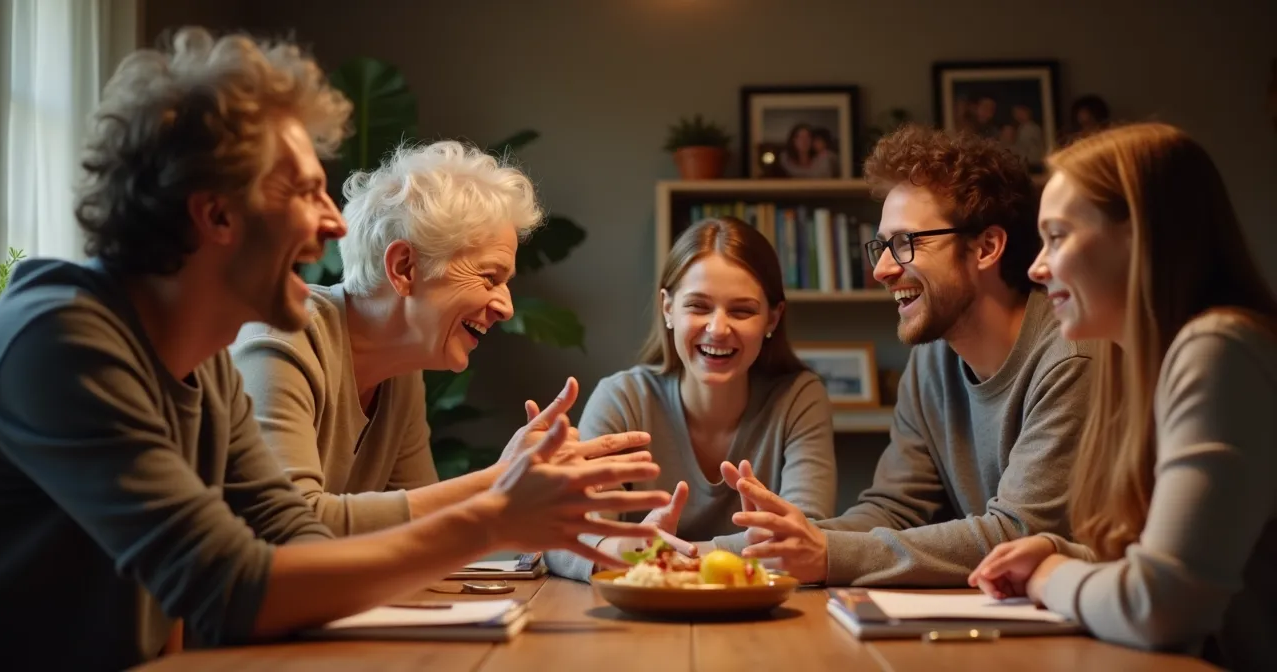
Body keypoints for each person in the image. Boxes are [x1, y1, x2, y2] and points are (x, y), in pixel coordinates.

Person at [0, 28, 668, 669]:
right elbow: (231, 585)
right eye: (305, 191)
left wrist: (505, 514)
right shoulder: (61, 341)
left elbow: (292, 536)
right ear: (217, 213)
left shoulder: (203, 363)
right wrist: (492, 513)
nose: (335, 222)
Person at [722, 125, 1093, 586]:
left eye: (906, 243)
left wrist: (826, 553)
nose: (881, 269)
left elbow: (1019, 533)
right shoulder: (932, 360)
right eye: (881, 245)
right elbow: (893, 510)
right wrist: (715, 554)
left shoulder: (1069, 358)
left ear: (987, 247)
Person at [968, 123, 1277, 670]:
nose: (1037, 267)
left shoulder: (1219, 348)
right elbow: (1184, 554)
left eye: (1057, 236)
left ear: (1145, 234)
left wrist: (1048, 575)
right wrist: (1061, 552)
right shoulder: (1141, 364)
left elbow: (1159, 605)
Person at [230, 140, 651, 536]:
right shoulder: (281, 342)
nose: (505, 306)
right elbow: (291, 527)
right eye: (490, 277)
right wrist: (501, 482)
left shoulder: (400, 372)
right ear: (405, 268)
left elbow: (415, 537)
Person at [546, 217, 838, 581]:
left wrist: (664, 554)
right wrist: (620, 549)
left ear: (772, 319)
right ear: (668, 308)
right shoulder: (622, 398)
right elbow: (564, 535)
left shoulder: (799, 398)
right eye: (699, 306)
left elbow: (801, 540)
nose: (717, 328)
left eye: (742, 310)